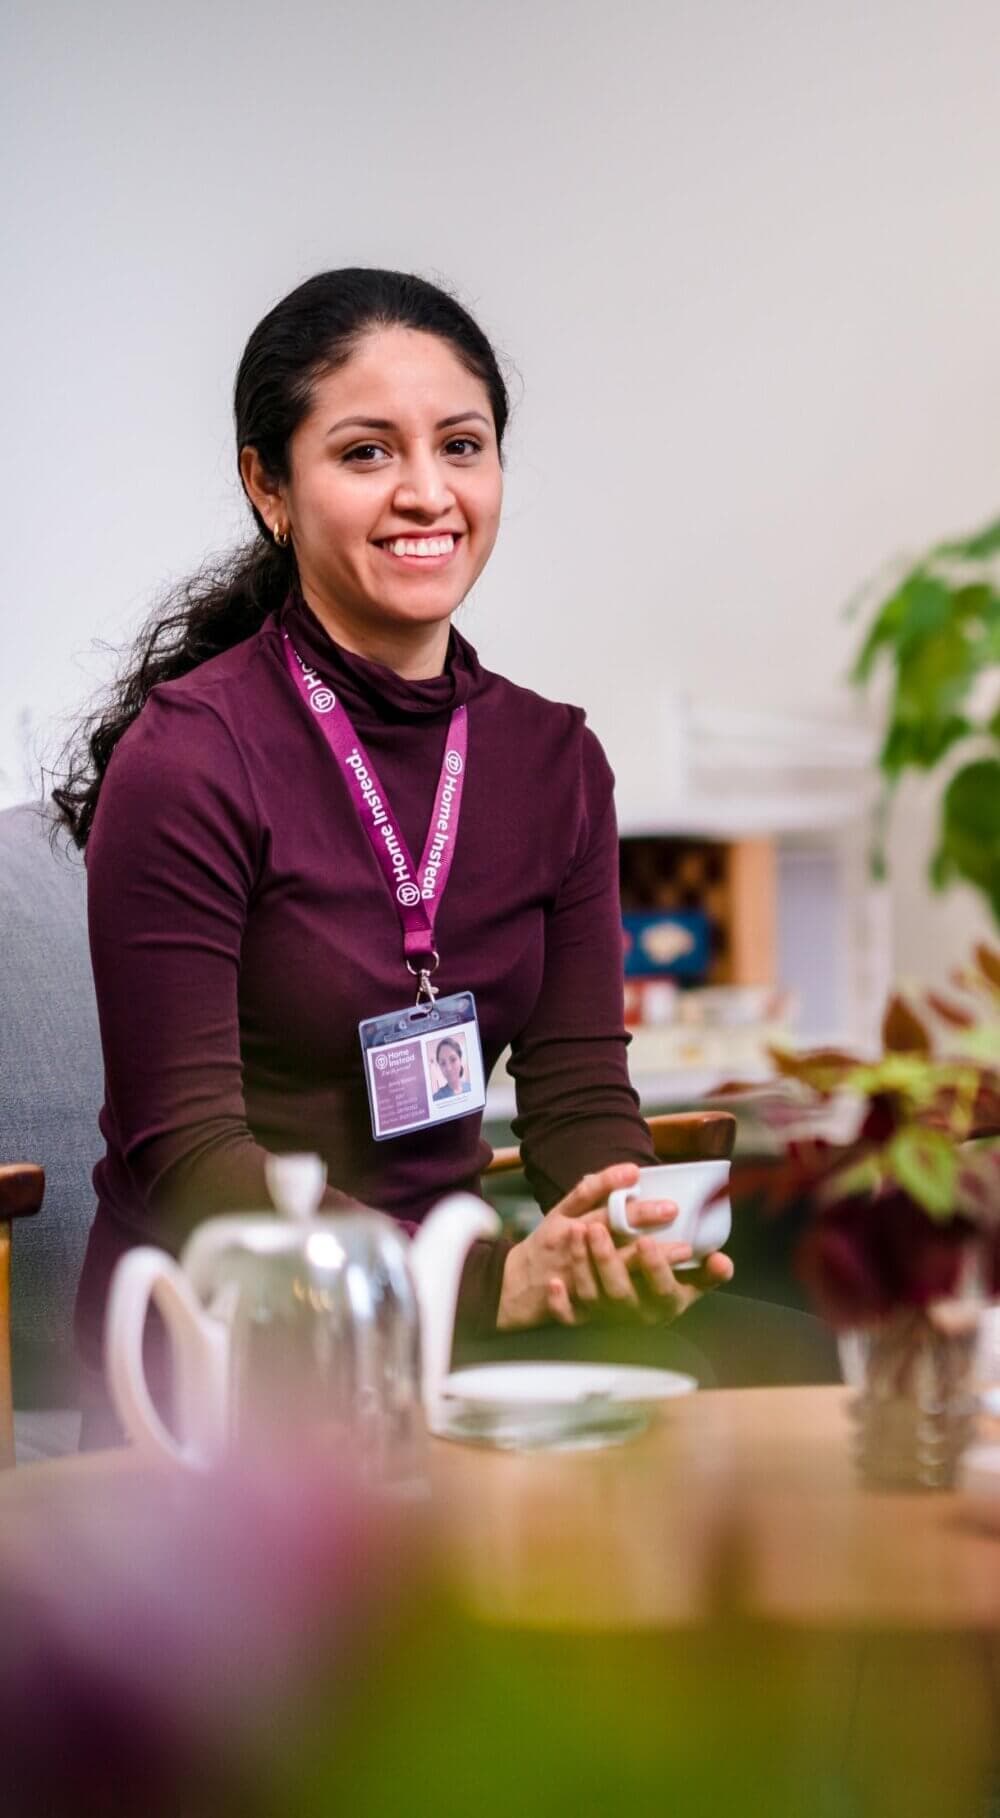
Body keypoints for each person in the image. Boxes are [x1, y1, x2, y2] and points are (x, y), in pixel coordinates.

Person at [55, 269, 831, 1439]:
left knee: (794, 1364)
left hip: (476, 1314)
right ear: (269, 486)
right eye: (366, 453)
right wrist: (489, 1279)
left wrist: (613, 1236)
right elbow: (189, 1156)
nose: (428, 493)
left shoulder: (552, 758)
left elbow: (576, 1096)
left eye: (461, 446)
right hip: (247, 1333)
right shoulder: (192, 760)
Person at [432, 1037, 471, 1102]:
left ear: (460, 1060)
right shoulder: (436, 1098)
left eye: (453, 1060)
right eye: (443, 1063)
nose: (448, 1068)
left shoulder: (471, 1088)